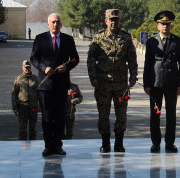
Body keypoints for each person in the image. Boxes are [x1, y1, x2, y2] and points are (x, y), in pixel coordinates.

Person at [87, 9, 138, 153]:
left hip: (121, 84)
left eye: (116, 20)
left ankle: (119, 143)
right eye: (111, 19)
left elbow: (132, 59)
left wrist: (133, 76)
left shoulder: (126, 38)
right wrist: (93, 78)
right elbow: (91, 60)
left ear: (119, 21)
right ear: (106, 21)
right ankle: (105, 143)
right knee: (103, 114)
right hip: (103, 83)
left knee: (121, 114)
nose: (113, 22)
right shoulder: (98, 37)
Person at [30, 13, 79, 156]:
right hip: (45, 85)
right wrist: (44, 68)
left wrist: (67, 67)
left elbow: (75, 58)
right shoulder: (40, 39)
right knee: (46, 117)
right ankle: (48, 146)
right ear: (48, 24)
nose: (55, 25)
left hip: (62, 84)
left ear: (61, 24)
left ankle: (58, 145)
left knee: (59, 117)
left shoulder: (68, 39)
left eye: (58, 22)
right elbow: (34, 58)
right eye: (53, 22)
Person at [143, 10, 180, 153]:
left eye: (167, 24)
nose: (165, 27)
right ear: (158, 26)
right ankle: (155, 143)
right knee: (155, 114)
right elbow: (147, 64)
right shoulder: (151, 42)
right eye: (162, 24)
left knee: (171, 115)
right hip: (155, 84)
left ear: (171, 26)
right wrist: (146, 84)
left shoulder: (177, 41)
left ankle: (170, 143)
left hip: (171, 84)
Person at [11, 60, 39, 140]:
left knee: (33, 129)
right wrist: (14, 107)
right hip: (22, 107)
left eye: (29, 67)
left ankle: (33, 146)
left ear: (31, 67)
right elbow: (14, 94)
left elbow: (40, 93)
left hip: (33, 108)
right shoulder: (18, 79)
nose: (27, 69)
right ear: (22, 68)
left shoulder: (36, 79)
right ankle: (23, 147)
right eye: (26, 67)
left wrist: (40, 105)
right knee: (22, 128)